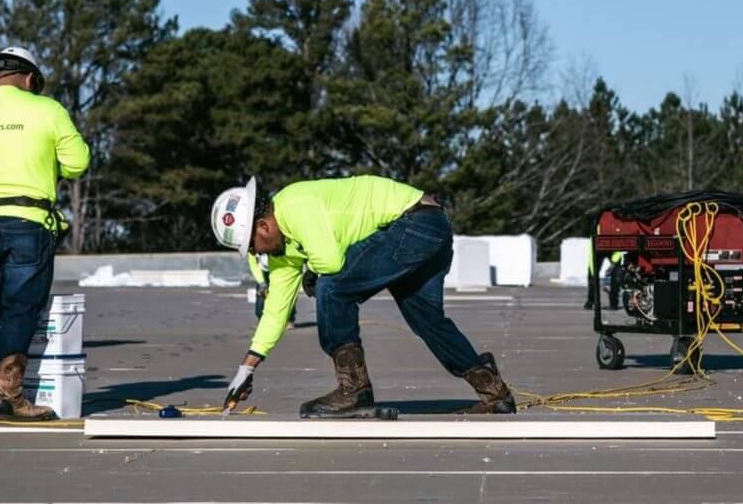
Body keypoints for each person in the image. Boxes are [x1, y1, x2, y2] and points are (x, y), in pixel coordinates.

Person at [211, 175, 516, 417]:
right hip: (430, 226)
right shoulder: (283, 250)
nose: (254, 253)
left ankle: (354, 390)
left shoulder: (295, 204)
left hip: (415, 223)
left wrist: (311, 275)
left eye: (251, 245)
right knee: (428, 320)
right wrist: (247, 368)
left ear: (263, 226)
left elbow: (329, 263)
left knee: (331, 286)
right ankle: (494, 392)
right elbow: (276, 311)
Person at [0, 46, 89, 421]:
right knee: (21, 307)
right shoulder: (48, 110)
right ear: (30, 79)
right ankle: (6, 395)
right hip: (28, 221)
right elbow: (78, 163)